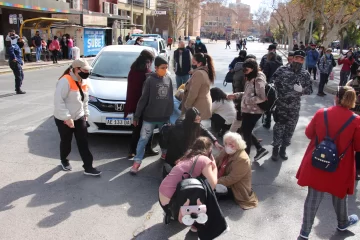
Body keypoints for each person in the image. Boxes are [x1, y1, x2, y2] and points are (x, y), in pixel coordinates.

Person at [296, 86, 360, 239]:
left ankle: (304, 233)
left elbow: (309, 133)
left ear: (336, 97)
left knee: (313, 197)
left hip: (317, 162)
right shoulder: (356, 120)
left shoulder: (321, 113)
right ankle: (343, 222)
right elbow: (358, 146)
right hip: (341, 165)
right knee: (340, 194)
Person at [159, 137, 218, 232]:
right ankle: (196, 224)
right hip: (173, 201)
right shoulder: (204, 160)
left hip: (162, 196)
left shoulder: (188, 155)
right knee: (205, 192)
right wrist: (214, 166)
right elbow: (213, 184)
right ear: (209, 150)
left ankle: (169, 213)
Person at [54, 59, 101, 176]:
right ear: (76, 69)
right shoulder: (65, 81)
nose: (87, 73)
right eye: (85, 70)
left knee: (83, 142)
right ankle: (64, 160)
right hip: (63, 118)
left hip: (79, 116)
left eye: (88, 70)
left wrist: (86, 113)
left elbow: (85, 100)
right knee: (66, 142)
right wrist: (67, 117)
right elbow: (58, 101)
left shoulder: (84, 81)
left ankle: (88, 167)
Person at [131, 56, 174, 174]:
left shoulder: (168, 80)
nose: (165, 70)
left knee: (165, 139)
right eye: (162, 68)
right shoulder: (150, 80)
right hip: (149, 118)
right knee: (143, 139)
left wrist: (170, 114)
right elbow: (143, 99)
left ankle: (165, 155)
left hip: (164, 118)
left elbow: (170, 98)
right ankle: (137, 162)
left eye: (166, 67)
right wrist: (137, 116)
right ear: (155, 68)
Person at [271, 50, 312, 161]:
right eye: (297, 58)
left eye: (301, 59)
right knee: (279, 127)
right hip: (281, 105)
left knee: (290, 128)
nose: (299, 61)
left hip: (294, 106)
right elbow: (272, 83)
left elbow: (310, 90)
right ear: (292, 58)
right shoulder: (281, 70)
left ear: (303, 61)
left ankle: (283, 149)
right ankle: (275, 148)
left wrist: (302, 90)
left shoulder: (305, 74)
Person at [227, 58, 269, 161]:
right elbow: (247, 94)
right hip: (247, 110)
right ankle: (259, 149)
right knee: (246, 130)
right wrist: (236, 95)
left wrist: (246, 101)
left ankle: (245, 158)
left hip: (254, 111)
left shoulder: (258, 79)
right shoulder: (250, 77)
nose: (245, 72)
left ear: (253, 68)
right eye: (244, 69)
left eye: (247, 69)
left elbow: (261, 97)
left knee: (246, 132)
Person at [164, 107, 221, 174]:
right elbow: (179, 146)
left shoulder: (193, 124)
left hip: (185, 151)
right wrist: (183, 157)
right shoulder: (180, 128)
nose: (198, 122)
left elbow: (205, 131)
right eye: (196, 120)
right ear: (190, 119)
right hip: (176, 153)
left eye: (199, 119)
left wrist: (215, 141)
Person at [124, 50, 157, 158]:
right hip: (145, 105)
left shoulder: (133, 70)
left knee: (137, 129)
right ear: (148, 61)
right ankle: (147, 149)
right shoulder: (146, 73)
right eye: (151, 61)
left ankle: (131, 150)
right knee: (149, 128)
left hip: (134, 104)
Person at [215, 132, 258, 209]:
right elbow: (215, 161)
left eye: (231, 144)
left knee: (209, 192)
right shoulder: (226, 151)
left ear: (238, 144)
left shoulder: (242, 159)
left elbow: (231, 178)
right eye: (226, 143)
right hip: (222, 179)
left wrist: (213, 182)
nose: (228, 146)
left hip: (235, 188)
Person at [181, 53, 215, 120]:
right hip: (202, 106)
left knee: (194, 129)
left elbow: (193, 93)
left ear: (200, 63)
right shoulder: (204, 71)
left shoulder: (199, 73)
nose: (192, 64)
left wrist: (187, 106)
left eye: (193, 62)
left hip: (198, 107)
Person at [346, 67, 360, 180]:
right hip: (352, 118)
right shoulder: (351, 83)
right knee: (347, 143)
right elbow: (344, 99)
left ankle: (357, 170)